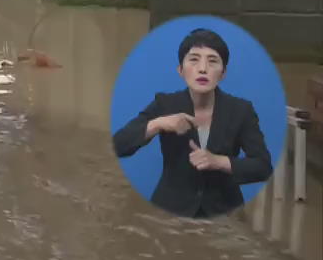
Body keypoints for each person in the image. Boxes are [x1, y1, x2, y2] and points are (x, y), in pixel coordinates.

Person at [112, 28, 273, 218]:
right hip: (169, 212)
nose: (203, 68)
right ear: (180, 70)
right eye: (194, 59)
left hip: (224, 211)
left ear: (223, 73)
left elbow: (263, 167)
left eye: (212, 61)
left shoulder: (241, 110)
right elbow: (118, 145)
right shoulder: (165, 104)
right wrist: (158, 123)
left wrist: (219, 162)